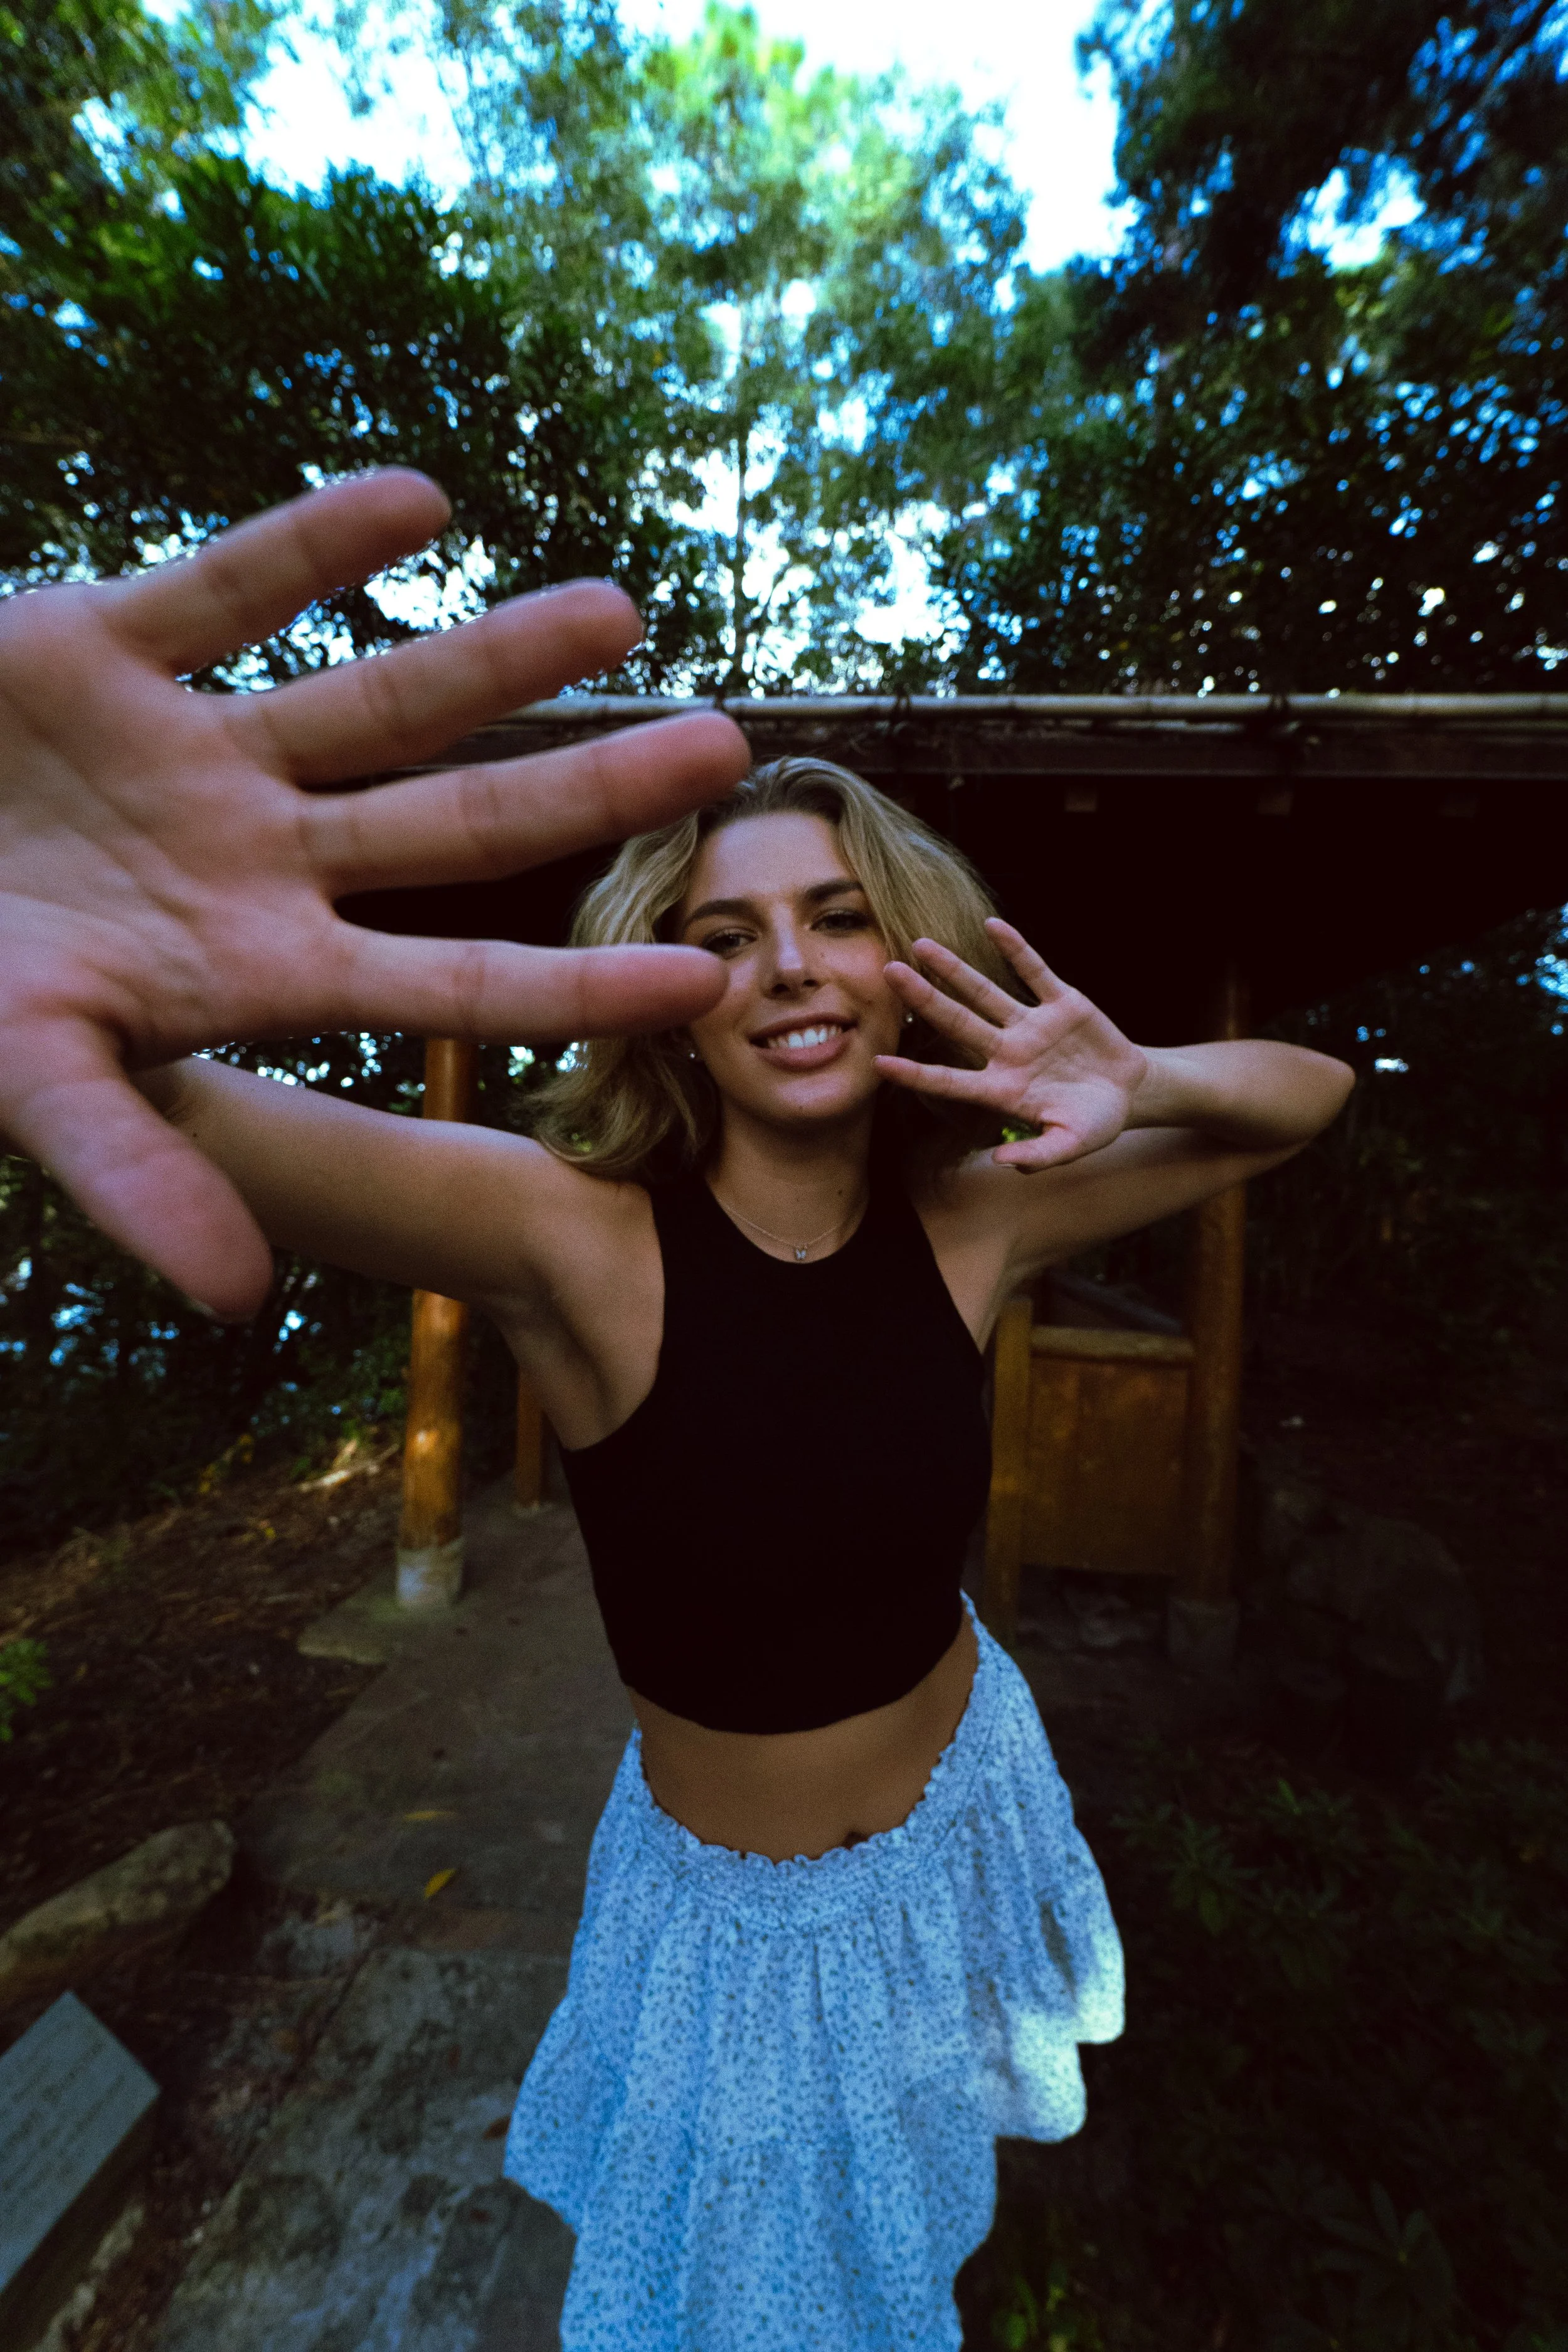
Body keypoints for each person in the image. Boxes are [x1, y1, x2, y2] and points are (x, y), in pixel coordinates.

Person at [0, 474, 1354, 2350]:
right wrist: (48, 947)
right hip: (741, 1945)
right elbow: (194, 1113)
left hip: (961, 1807)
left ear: (906, 961)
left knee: (912, 2226)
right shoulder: (571, 1242)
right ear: (662, 990)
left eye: (837, 918)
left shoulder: (979, 1215)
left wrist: (1141, 1077)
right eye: (727, 935)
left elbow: (1305, 1095)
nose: (790, 966)